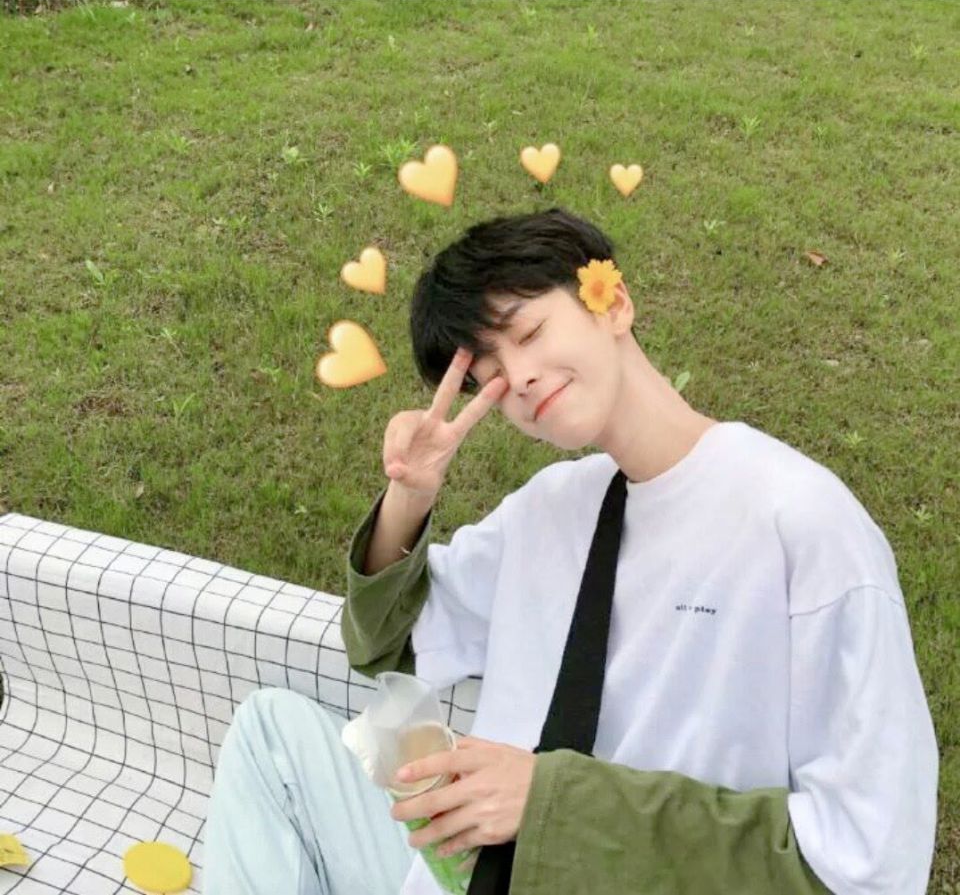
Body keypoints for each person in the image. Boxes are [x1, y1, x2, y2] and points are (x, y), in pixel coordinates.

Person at [203, 207, 939, 895]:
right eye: (490, 377)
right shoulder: (553, 509)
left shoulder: (799, 524)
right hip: (473, 870)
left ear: (612, 302)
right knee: (272, 731)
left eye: (528, 333)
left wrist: (550, 802)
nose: (519, 379)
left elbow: (870, 856)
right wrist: (410, 495)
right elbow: (390, 646)